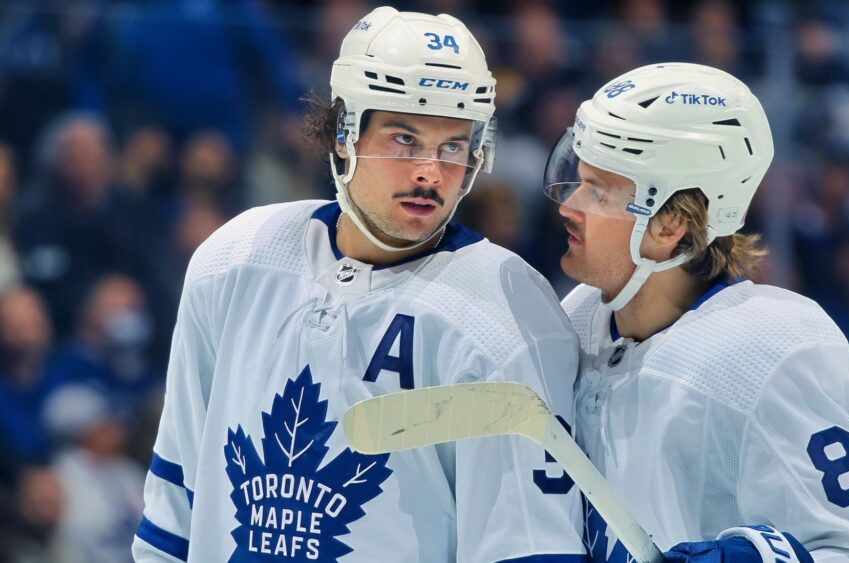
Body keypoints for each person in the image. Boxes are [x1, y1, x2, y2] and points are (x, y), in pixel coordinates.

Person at [133, 7, 584, 562]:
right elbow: (173, 512)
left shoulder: (508, 312)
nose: (430, 172)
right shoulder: (236, 261)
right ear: (344, 133)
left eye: (452, 146)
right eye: (404, 139)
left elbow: (526, 546)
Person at [545, 63, 849, 562]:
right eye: (578, 178)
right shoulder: (576, 319)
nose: (570, 205)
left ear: (670, 224)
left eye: (600, 191)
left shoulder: (771, 351)